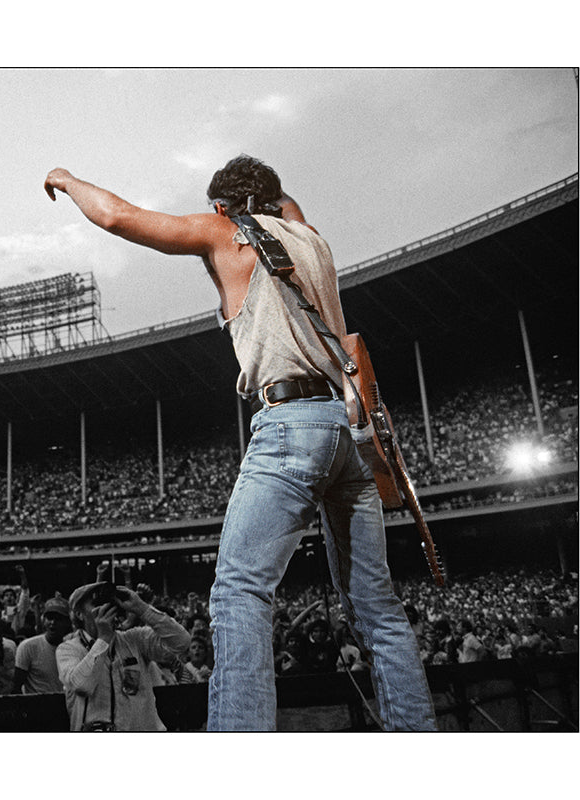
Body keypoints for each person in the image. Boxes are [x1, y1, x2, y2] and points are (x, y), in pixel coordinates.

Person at [44, 156, 436, 731]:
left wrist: (66, 179)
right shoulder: (311, 238)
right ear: (276, 200)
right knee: (378, 611)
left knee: (239, 593)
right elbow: (286, 205)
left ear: (223, 207)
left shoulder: (223, 232)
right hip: (347, 430)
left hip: (289, 423)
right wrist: (269, 195)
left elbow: (118, 218)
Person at [56, 581, 191, 731]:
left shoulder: (135, 639)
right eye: (97, 603)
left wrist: (141, 608)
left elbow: (182, 642)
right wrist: (104, 638)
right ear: (79, 614)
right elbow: (82, 686)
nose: (105, 608)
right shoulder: (68, 649)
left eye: (108, 603)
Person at [13, 597, 72, 695]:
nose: (53, 623)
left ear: (67, 622)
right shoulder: (27, 647)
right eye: (50, 618)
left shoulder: (73, 648)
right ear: (44, 621)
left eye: (58, 619)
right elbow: (16, 687)